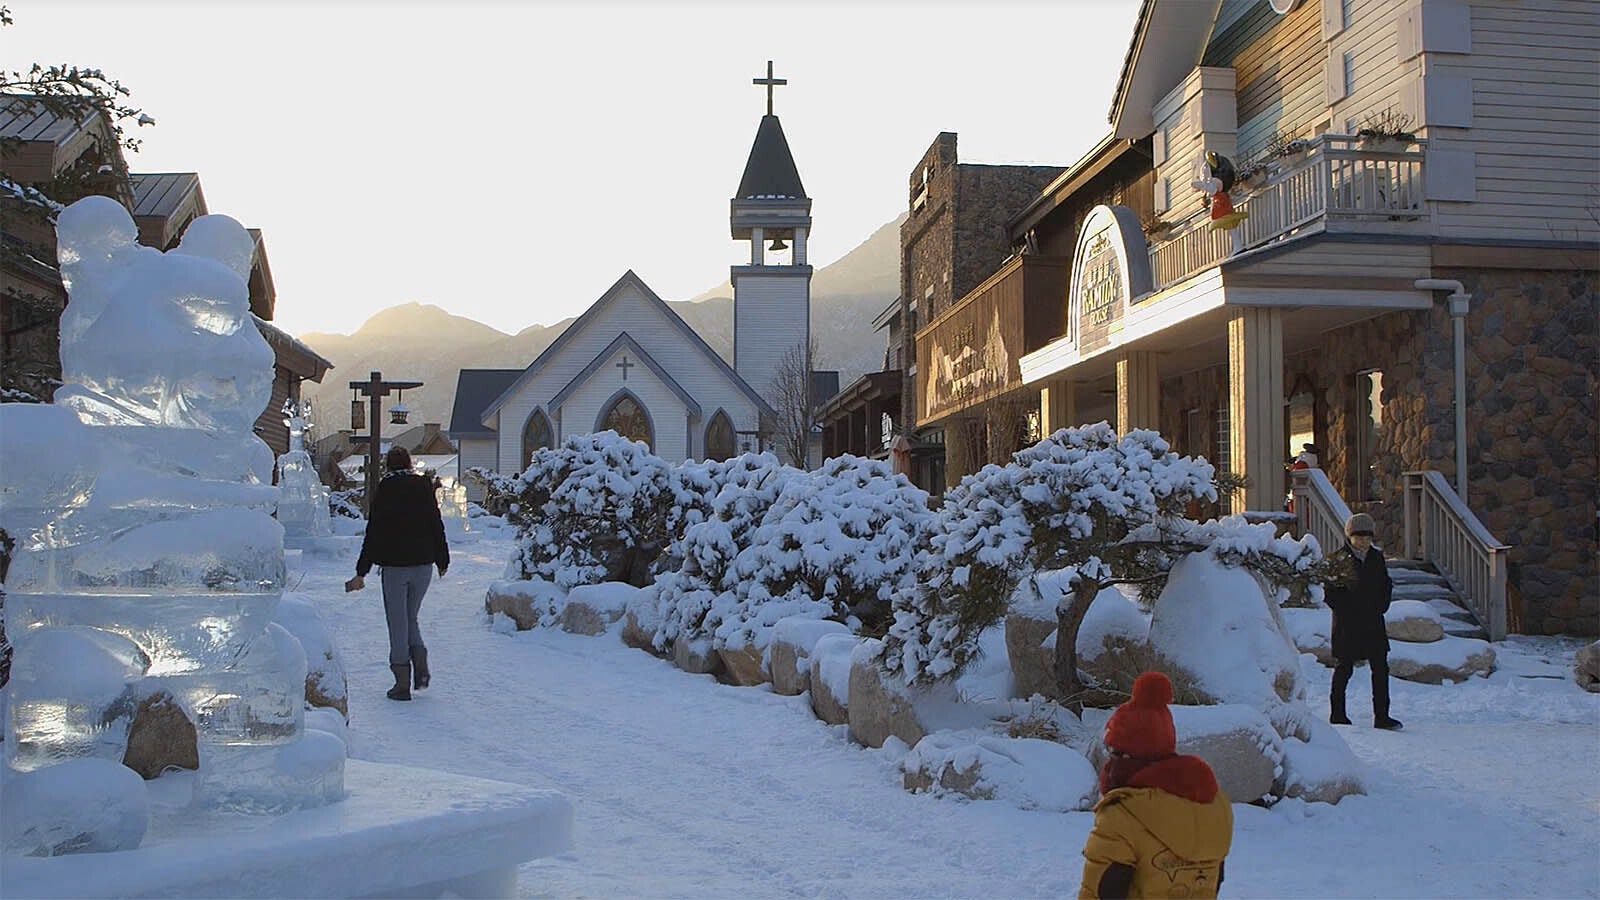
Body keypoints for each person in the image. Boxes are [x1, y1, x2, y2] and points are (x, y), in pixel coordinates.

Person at [1079, 672, 1232, 900]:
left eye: (1115, 752)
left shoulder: (1121, 815)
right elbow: (1215, 880)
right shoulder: (1215, 806)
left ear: (1128, 757)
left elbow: (1102, 891)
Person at [350, 446, 449, 701]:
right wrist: (442, 559)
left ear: (388, 466)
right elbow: (435, 523)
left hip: (394, 569)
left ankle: (401, 682)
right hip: (423, 566)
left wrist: (362, 571)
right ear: (409, 463)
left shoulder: (386, 489)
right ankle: (421, 665)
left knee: (398, 623)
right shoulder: (424, 486)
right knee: (410, 617)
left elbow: (374, 531)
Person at [1326, 512, 1401, 730]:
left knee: (1380, 668)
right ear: (1349, 536)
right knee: (1344, 668)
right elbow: (1331, 593)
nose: (1363, 541)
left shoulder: (1376, 558)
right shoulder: (1338, 559)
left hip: (1373, 622)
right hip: (1347, 624)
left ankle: (1382, 716)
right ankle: (1338, 714)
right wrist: (1348, 610)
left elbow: (1385, 586)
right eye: (1358, 536)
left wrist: (1380, 607)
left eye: (1367, 537)